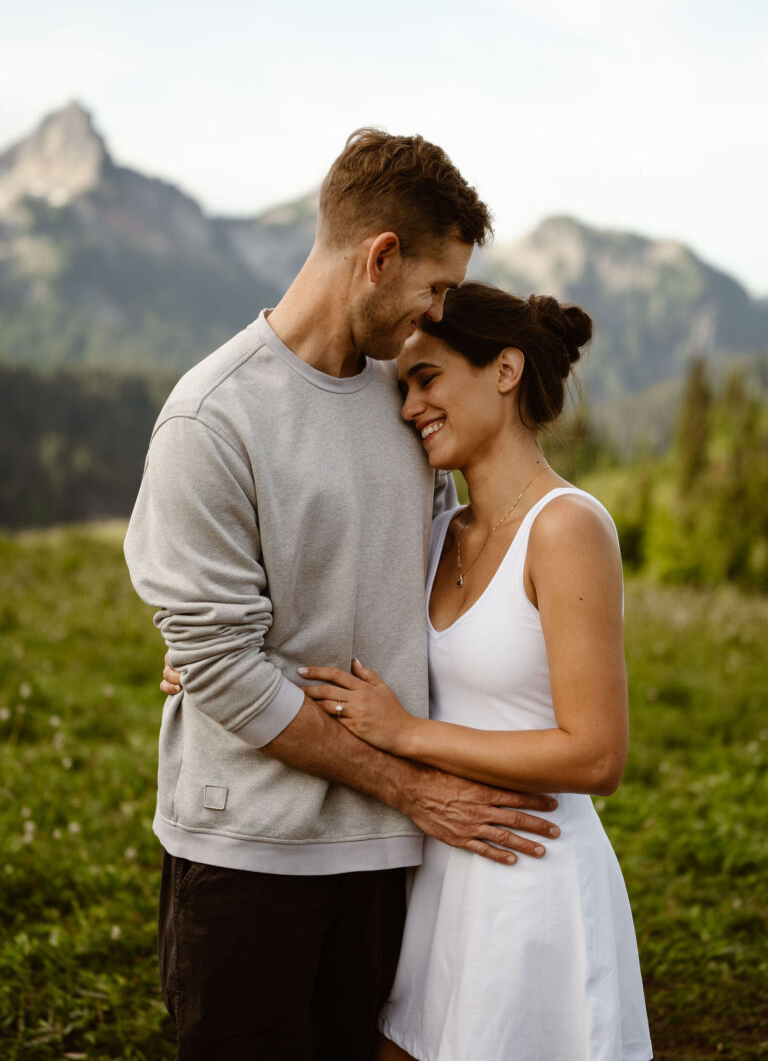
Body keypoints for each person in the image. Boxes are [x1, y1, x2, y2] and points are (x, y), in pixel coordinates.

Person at [124, 131, 560, 1061]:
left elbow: (424, 580)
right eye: (436, 288)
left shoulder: (408, 405)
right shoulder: (212, 418)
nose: (437, 314)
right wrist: (412, 785)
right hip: (247, 860)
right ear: (381, 257)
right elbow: (224, 662)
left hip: (391, 865)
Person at [297, 283, 654, 1061]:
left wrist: (410, 735)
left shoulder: (567, 528)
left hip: (530, 883)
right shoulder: (434, 535)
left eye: (427, 379)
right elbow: (328, 634)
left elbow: (596, 755)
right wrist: (208, 659)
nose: (408, 407)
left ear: (504, 371)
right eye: (403, 388)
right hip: (434, 879)